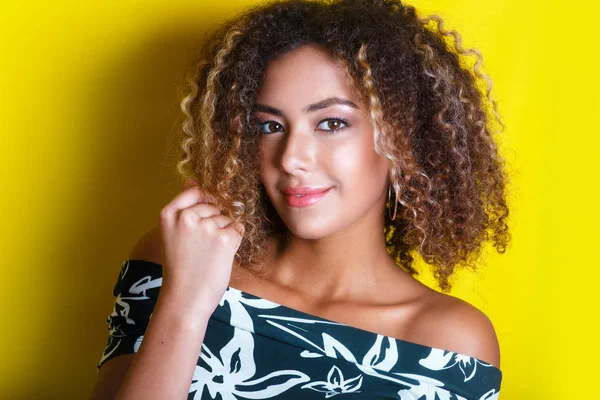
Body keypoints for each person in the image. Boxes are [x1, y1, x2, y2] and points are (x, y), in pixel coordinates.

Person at [89, 0, 510, 398]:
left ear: (404, 140)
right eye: (269, 127)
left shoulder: (447, 343)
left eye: (331, 123)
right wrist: (186, 305)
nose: (291, 158)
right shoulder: (174, 261)